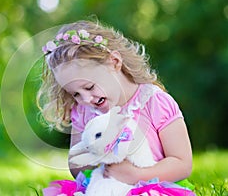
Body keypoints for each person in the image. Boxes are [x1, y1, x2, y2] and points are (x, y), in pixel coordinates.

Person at [37, 20, 193, 190]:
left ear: (115, 62)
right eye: (75, 94)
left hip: (151, 187)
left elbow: (182, 163)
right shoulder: (83, 111)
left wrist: (137, 176)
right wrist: (94, 155)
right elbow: (76, 167)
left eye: (89, 87)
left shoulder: (154, 102)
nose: (85, 99)